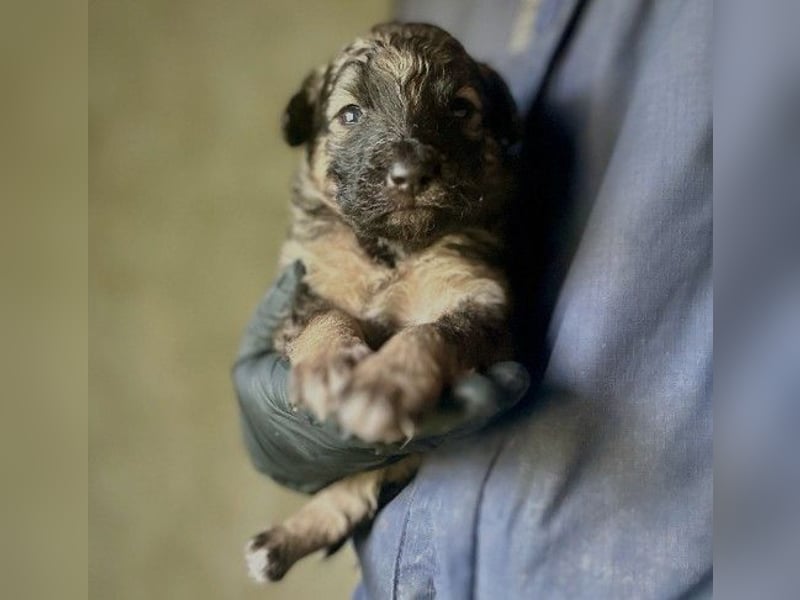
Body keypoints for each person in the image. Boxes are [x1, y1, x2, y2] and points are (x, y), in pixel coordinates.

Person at [233, 1, 712, 597]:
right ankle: (312, 524)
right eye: (352, 114)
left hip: (627, 546)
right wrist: (317, 348)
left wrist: (420, 354)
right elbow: (311, 308)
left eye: (457, 109)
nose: (406, 162)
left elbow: (476, 310)